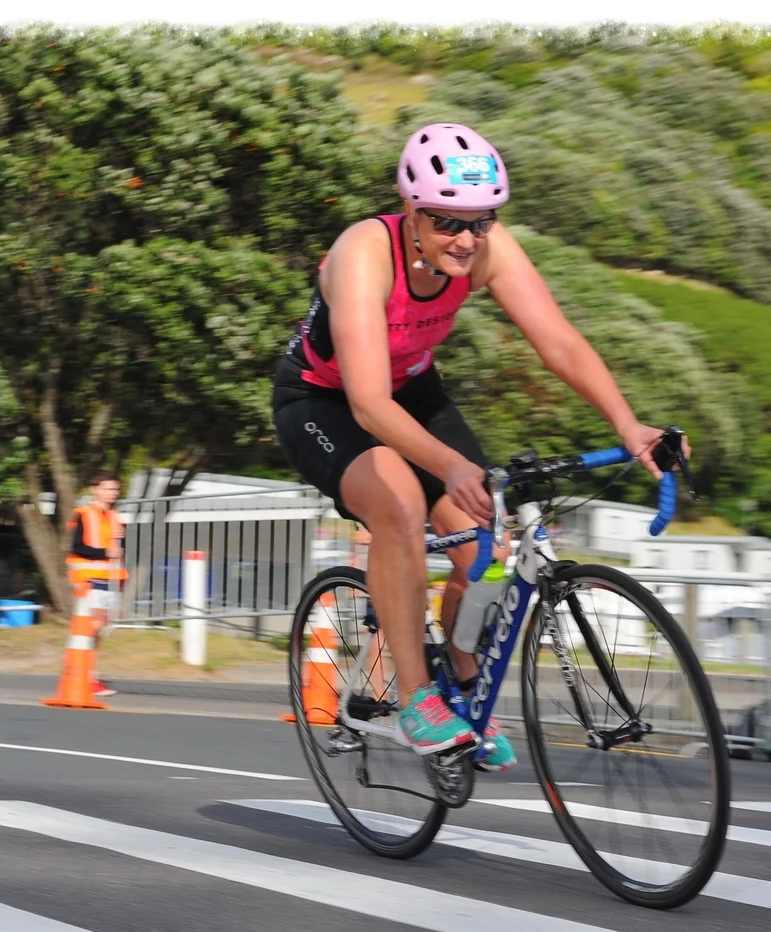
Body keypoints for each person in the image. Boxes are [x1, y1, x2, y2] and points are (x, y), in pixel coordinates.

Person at [271, 122, 686, 770]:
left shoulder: (488, 249)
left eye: (481, 222)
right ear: (411, 211)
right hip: (324, 399)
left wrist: (629, 426)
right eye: (446, 223)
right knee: (402, 507)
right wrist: (449, 463)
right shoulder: (364, 253)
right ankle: (415, 699)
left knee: (482, 546)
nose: (466, 239)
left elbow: (561, 343)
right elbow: (368, 403)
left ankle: (463, 688)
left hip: (414, 388)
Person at [66, 471, 127, 698]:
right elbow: (76, 547)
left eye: (115, 489)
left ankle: (86, 671)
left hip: (109, 577)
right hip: (88, 577)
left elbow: (118, 549)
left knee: (100, 627)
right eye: (108, 488)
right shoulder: (82, 513)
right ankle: (84, 673)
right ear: (95, 489)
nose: (113, 493)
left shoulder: (115, 516)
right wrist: (105, 551)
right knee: (96, 624)